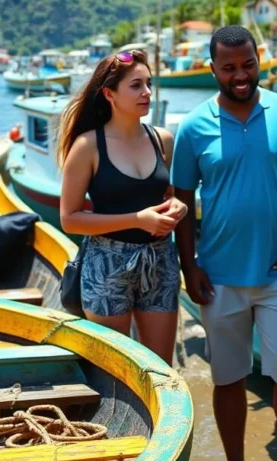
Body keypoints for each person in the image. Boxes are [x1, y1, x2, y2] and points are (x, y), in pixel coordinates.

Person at [171, 25, 277, 461]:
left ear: (260, 60)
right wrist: (189, 267)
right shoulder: (193, 127)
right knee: (227, 379)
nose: (240, 75)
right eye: (229, 67)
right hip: (218, 277)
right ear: (212, 68)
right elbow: (180, 202)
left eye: (248, 65)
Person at [58, 49, 188, 363]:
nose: (147, 92)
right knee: (115, 374)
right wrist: (137, 220)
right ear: (109, 94)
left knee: (160, 370)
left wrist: (178, 207)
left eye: (148, 84)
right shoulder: (87, 146)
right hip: (107, 266)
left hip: (160, 263)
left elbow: (167, 196)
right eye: (136, 85)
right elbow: (70, 219)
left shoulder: (163, 140)